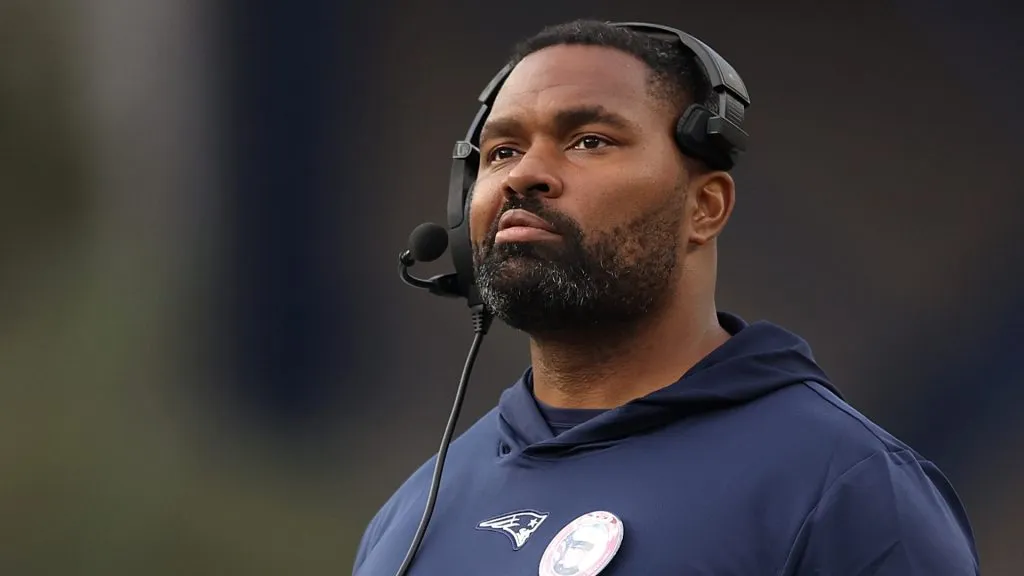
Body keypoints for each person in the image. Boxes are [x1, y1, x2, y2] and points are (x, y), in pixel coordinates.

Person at [353, 19, 980, 576]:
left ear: (705, 207)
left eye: (589, 140)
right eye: (503, 152)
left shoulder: (849, 490)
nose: (524, 175)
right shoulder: (410, 517)